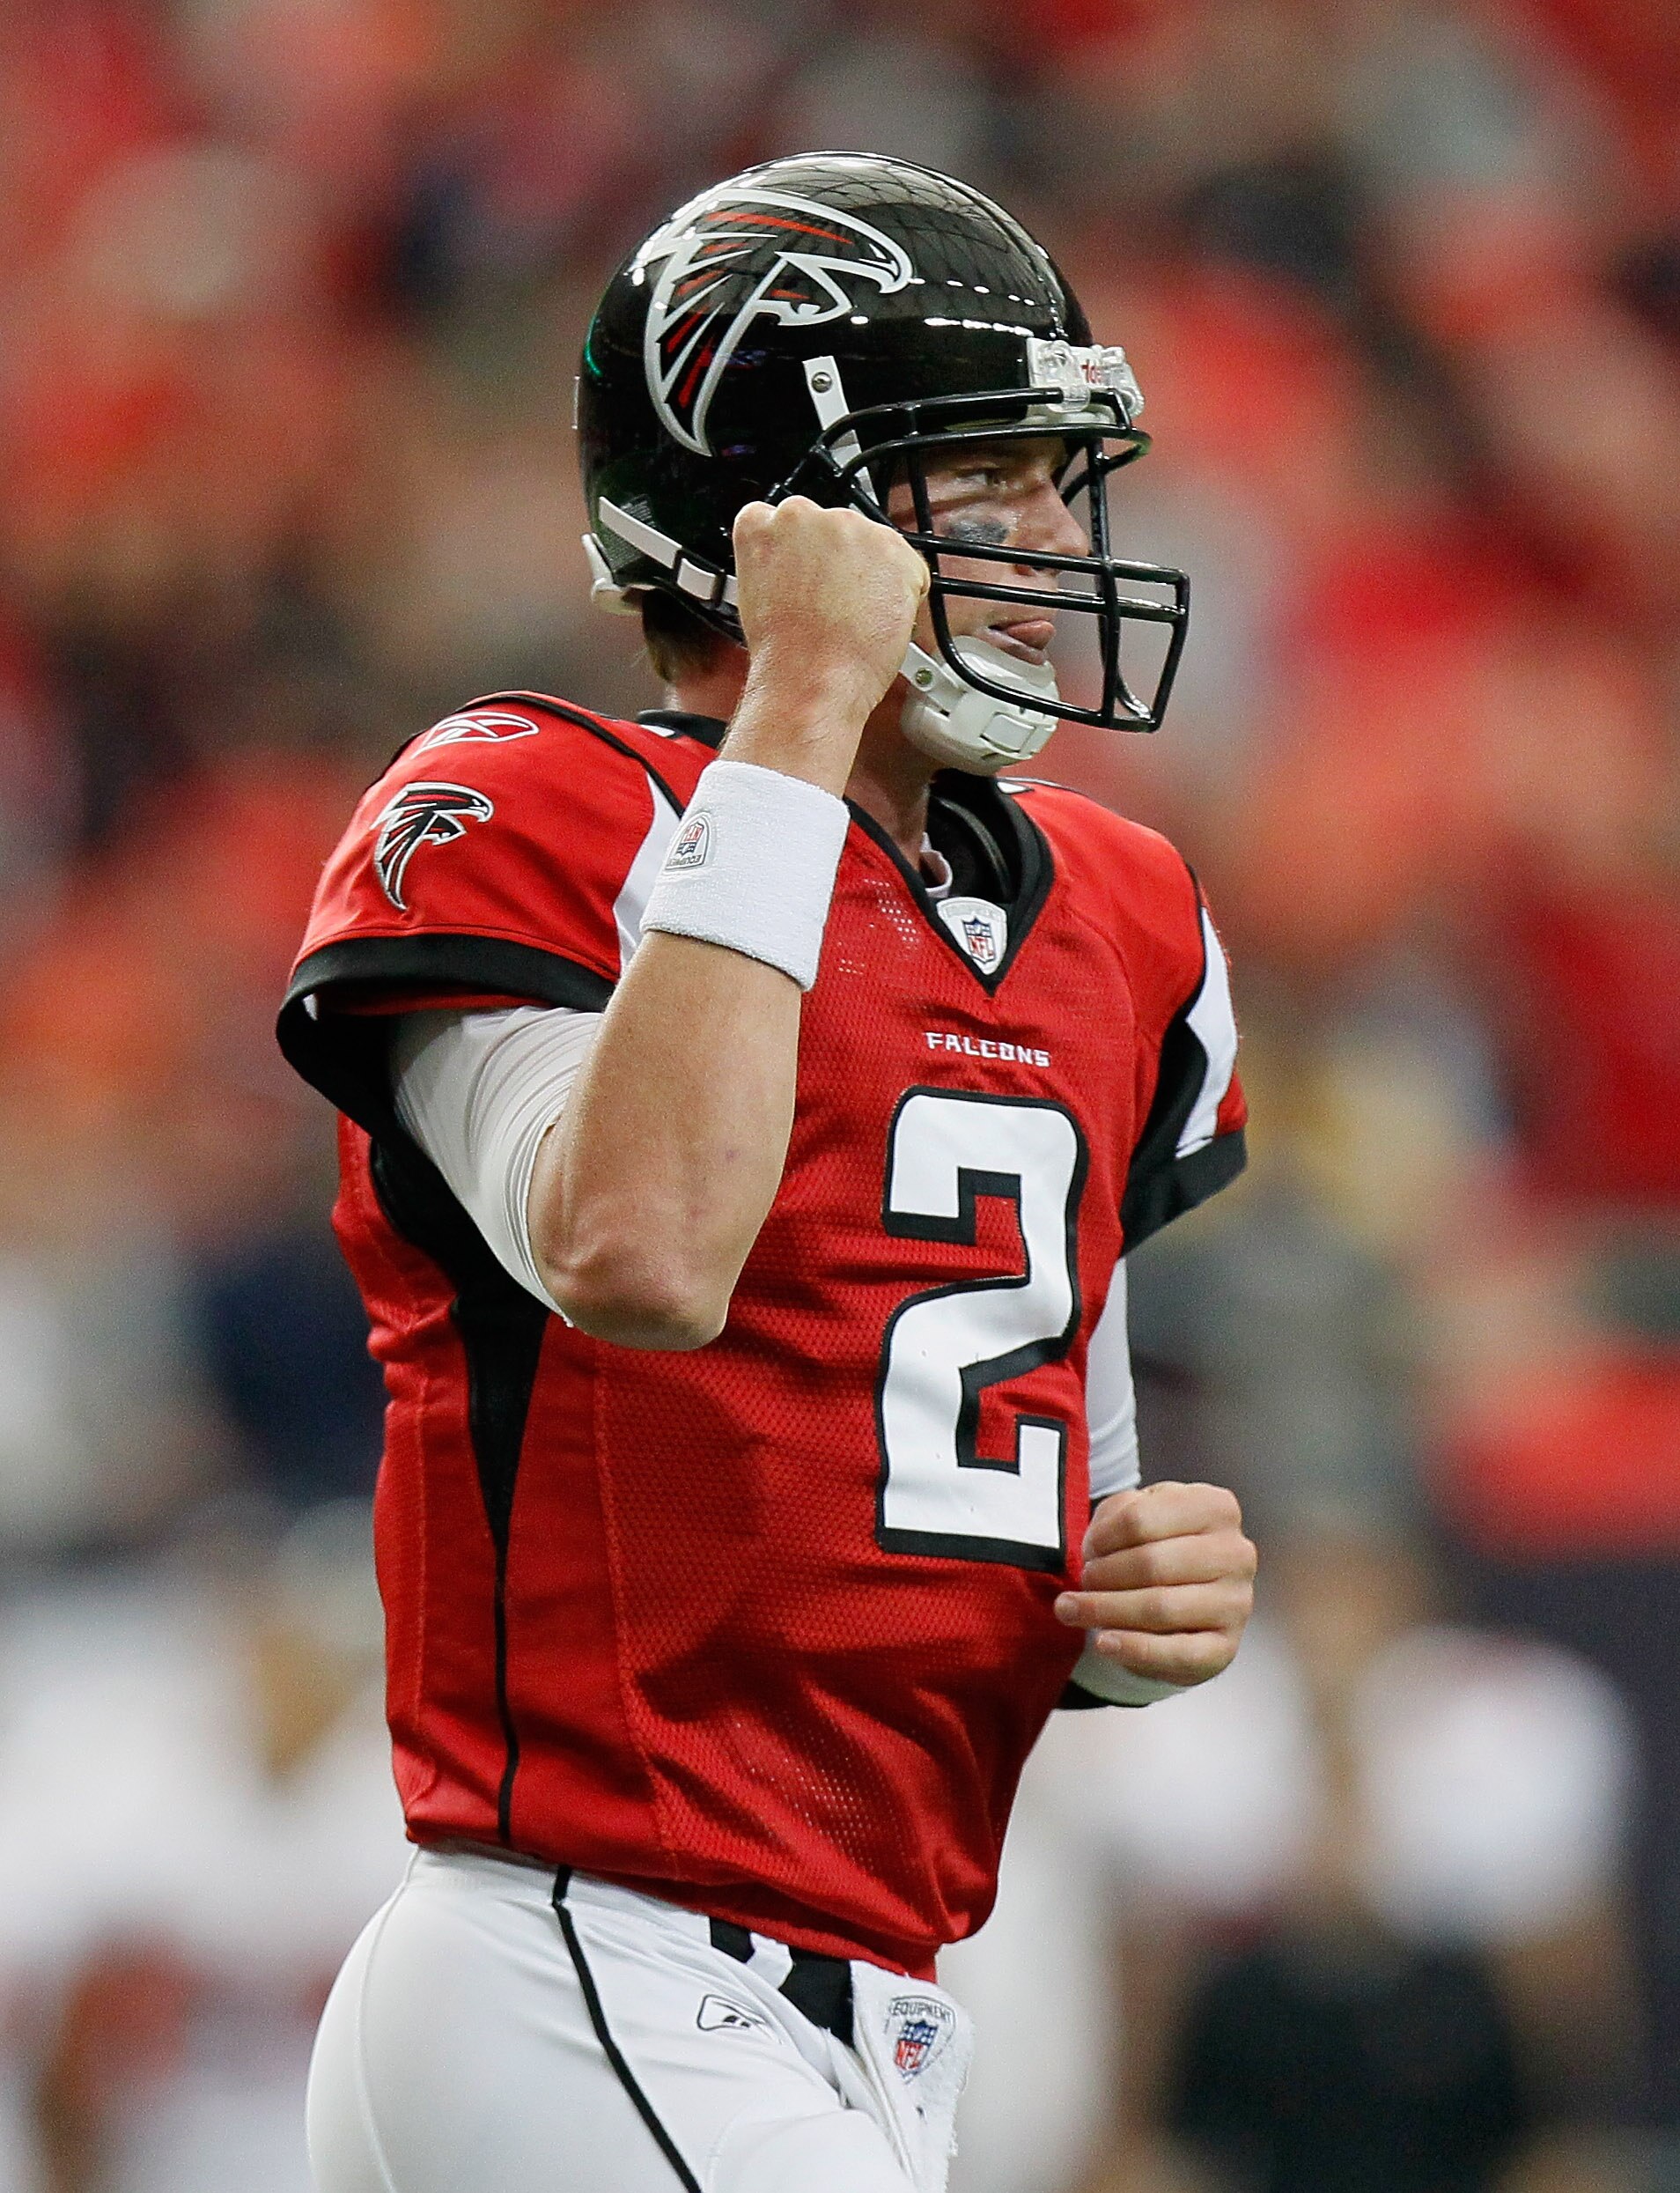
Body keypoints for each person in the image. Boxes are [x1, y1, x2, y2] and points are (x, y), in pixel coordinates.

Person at [277, 152, 1256, 2193]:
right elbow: (634, 1245)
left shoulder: (1122, 911)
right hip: (588, 1952)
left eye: (1055, 483)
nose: (1048, 544)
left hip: (860, 1992)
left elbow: (1025, 1497)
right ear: (766, 524)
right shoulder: (534, 803)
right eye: (977, 484)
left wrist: (1129, 1602)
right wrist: (803, 708)